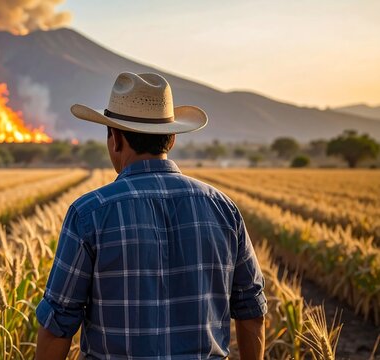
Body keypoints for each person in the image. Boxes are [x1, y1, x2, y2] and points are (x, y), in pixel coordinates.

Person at [35, 72, 267, 359]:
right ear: (171, 139)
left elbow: (59, 321)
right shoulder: (223, 209)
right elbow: (251, 311)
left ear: (115, 138)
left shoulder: (89, 213)